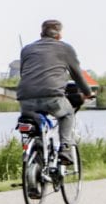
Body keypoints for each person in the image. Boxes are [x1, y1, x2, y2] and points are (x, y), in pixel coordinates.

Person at [16, 19, 94, 165]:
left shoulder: (26, 49)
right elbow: (77, 75)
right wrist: (87, 93)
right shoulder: (65, 48)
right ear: (59, 35)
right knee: (67, 114)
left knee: (33, 125)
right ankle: (65, 149)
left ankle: (36, 158)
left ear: (41, 34)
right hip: (52, 97)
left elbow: (23, 74)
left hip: (25, 98)